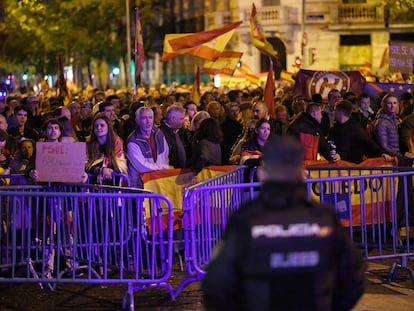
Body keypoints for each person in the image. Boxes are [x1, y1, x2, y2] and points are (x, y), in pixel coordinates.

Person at [202, 135, 366, 311]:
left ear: (261, 173)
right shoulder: (325, 218)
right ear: (303, 173)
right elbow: (354, 277)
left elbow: (216, 285)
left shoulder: (245, 219)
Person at [126, 106, 170, 187]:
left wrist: (163, 172)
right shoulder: (133, 140)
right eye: (144, 118)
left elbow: (165, 155)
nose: (148, 121)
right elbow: (142, 166)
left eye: (150, 117)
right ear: (138, 121)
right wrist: (163, 167)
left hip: (158, 181)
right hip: (140, 184)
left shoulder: (159, 133)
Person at [85, 113, 127, 185]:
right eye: (96, 126)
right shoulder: (89, 143)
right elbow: (85, 164)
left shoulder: (117, 142)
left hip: (113, 182)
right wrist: (101, 170)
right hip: (93, 182)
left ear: (108, 127)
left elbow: (121, 163)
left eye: (102, 125)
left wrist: (108, 170)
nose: (98, 128)